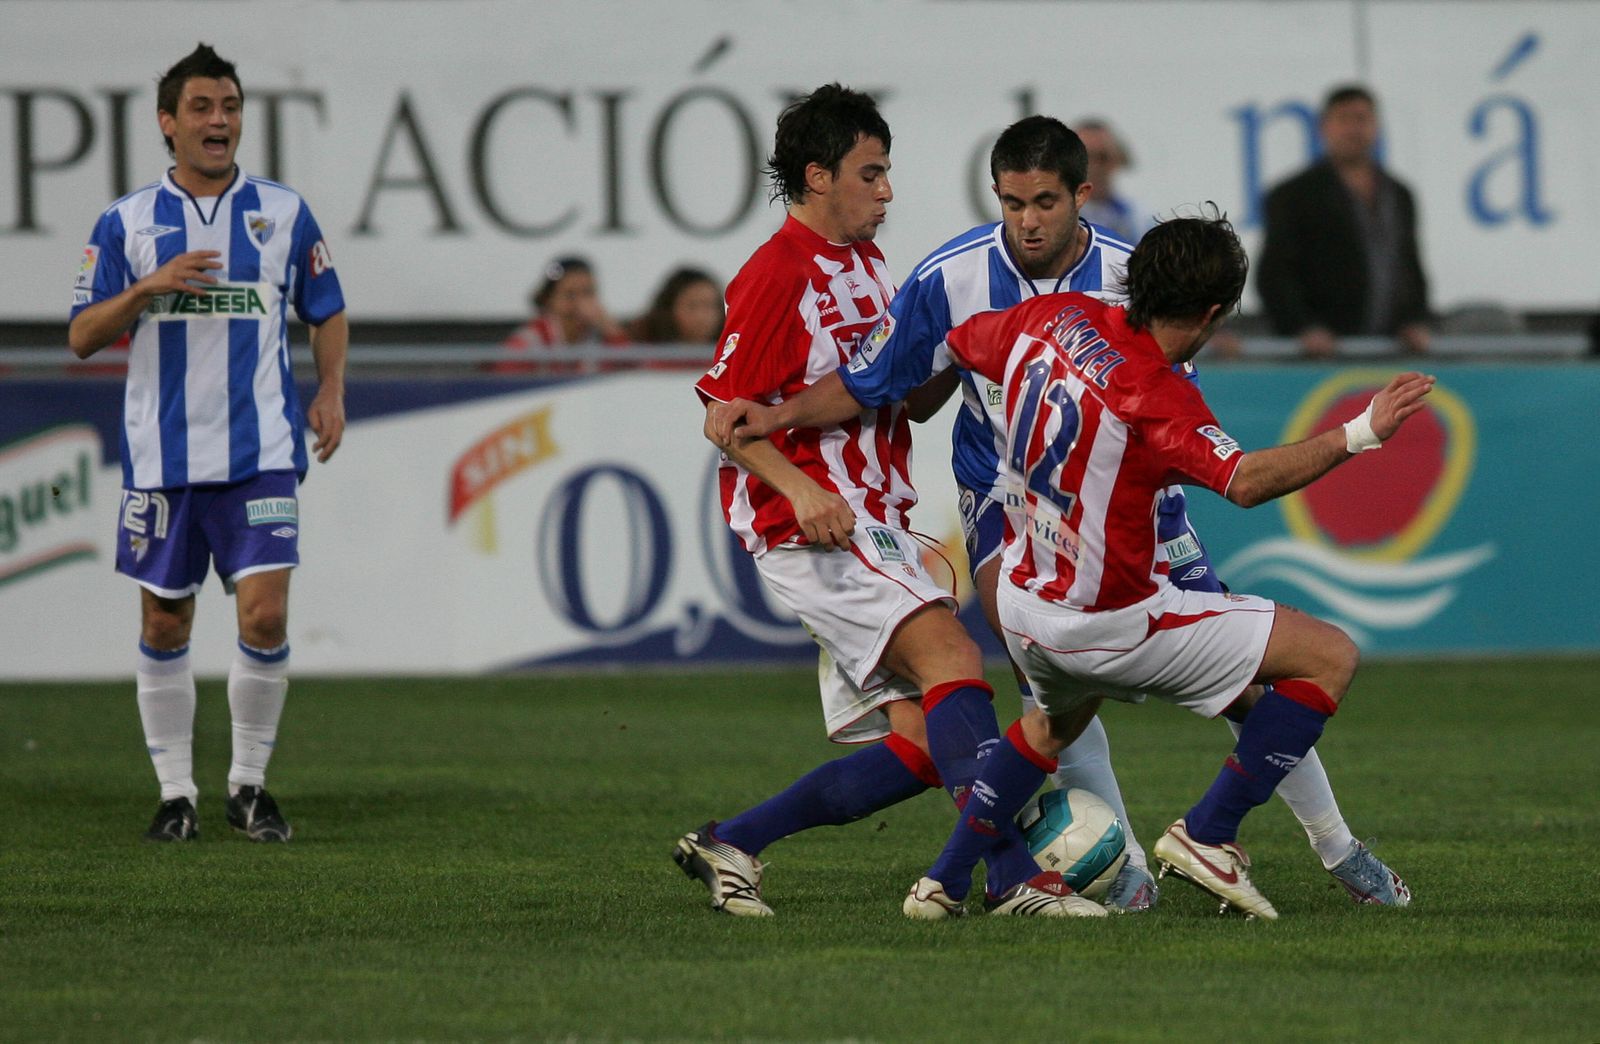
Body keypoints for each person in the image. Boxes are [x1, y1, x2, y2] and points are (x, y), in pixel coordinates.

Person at [716, 117, 1409, 914]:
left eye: (1044, 202)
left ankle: (1335, 845)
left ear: (1082, 196)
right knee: (1055, 690)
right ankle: (1130, 875)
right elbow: (884, 379)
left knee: (1245, 687)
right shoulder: (952, 274)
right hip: (1005, 506)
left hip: (1137, 504)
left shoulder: (1132, 274)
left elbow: (1165, 404)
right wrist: (781, 415)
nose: (1027, 222)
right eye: (1011, 203)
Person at [916, 211, 1432, 919]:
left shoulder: (1055, 316)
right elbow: (1245, 481)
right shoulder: (1156, 395)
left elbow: (956, 341)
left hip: (1026, 602)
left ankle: (940, 883)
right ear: (1214, 313)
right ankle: (1206, 835)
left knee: (1047, 730)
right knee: (1329, 657)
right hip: (1114, 621)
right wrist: (1360, 432)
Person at [679, 84, 1098, 920]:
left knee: (919, 745)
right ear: (819, 176)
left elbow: (903, 397)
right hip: (813, 527)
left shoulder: (869, 267)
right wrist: (801, 491)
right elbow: (724, 417)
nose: (887, 191)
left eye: (887, 172)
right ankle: (1015, 879)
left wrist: (966, 350)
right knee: (953, 658)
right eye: (871, 174)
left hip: (877, 521)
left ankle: (735, 841)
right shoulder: (774, 275)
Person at [67, 43, 348, 843]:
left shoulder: (283, 212)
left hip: (261, 450)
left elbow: (326, 308)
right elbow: (84, 333)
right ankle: (175, 795)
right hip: (163, 460)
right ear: (168, 123)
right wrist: (147, 289)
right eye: (201, 107)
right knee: (166, 625)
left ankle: (249, 787)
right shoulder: (125, 222)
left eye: (228, 106)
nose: (218, 120)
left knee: (262, 616)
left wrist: (329, 391)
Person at [1257, 84, 1431, 357]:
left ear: (1376, 127)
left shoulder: (1399, 195)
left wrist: (1416, 321)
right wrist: (1303, 328)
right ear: (1324, 128)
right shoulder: (1293, 195)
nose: (1353, 129)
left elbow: (1410, 266)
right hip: (1321, 354)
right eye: (1343, 119)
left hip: (1389, 351)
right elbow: (1274, 274)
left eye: (1361, 119)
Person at [493, 255, 628, 374]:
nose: (580, 304)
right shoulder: (528, 342)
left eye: (588, 293)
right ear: (548, 299)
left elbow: (637, 375)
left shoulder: (603, 338)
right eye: (570, 294)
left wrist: (612, 331)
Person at [1075, 117, 1152, 246]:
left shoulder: (1138, 219)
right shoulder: (1058, 216)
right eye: (1085, 158)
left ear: (1118, 160)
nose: (1093, 166)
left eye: (1102, 158)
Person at [628, 266, 725, 345]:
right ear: (669, 308)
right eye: (692, 306)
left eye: (710, 306)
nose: (702, 316)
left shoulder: (732, 351)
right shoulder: (639, 346)